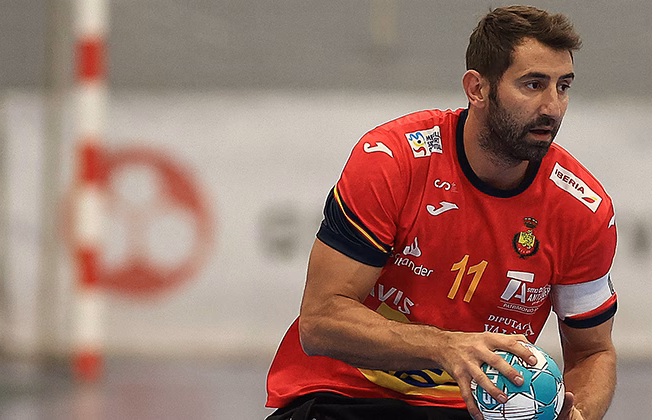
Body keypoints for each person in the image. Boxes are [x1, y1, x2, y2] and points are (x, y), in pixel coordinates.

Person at [264, 5, 618, 420]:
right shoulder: (392, 161)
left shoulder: (583, 209)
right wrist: (446, 347)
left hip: (475, 411)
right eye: (533, 84)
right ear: (477, 89)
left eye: (563, 86)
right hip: (344, 397)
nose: (552, 107)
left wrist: (580, 414)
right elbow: (320, 320)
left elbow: (593, 352)